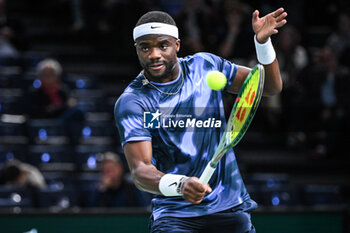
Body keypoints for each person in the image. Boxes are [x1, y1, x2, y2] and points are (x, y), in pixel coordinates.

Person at [114, 9, 287, 233]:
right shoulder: (133, 101)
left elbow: (270, 87)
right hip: (175, 216)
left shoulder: (205, 66)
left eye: (162, 45)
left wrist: (262, 43)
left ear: (176, 45)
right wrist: (181, 184)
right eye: (145, 47)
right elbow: (140, 171)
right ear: (137, 49)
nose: (154, 54)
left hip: (230, 208)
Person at [27, 58, 85, 144]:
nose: (48, 78)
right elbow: (38, 113)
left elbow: (66, 107)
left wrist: (55, 108)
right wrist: (61, 107)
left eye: (51, 74)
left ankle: (75, 142)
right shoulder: (34, 94)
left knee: (78, 111)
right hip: (45, 125)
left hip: (63, 123)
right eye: (45, 75)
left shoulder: (63, 91)